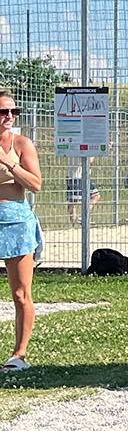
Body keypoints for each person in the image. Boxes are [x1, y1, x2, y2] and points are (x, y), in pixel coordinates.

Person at [0, 92, 42, 371]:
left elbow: (36, 184)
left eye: (14, 112)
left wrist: (9, 163)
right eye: (3, 112)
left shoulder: (21, 143)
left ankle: (19, 355)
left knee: (20, 293)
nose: (9, 117)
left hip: (15, 221)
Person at [66, 157, 100, 226]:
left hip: (82, 176)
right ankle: (75, 222)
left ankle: (83, 217)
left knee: (95, 196)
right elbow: (89, 160)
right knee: (73, 201)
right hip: (77, 176)